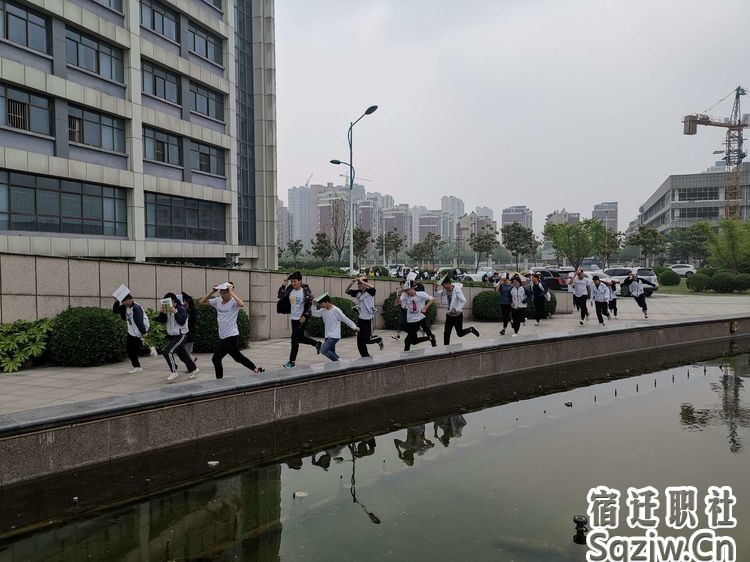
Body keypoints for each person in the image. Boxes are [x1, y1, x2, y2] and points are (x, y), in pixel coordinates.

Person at [199, 282, 263, 379]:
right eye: (221, 292)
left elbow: (241, 304)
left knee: (216, 358)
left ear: (230, 292)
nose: (223, 294)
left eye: (225, 292)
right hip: (223, 336)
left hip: (231, 335)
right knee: (237, 357)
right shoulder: (217, 301)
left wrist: (231, 292)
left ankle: (219, 380)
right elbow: (201, 302)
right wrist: (212, 292)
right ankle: (255, 369)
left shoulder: (234, 302)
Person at [277, 271, 321, 368]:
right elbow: (280, 295)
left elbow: (309, 304)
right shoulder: (290, 290)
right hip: (293, 318)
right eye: (291, 281)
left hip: (302, 319)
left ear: (300, 281)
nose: (293, 283)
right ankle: (316, 343)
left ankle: (292, 362)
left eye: (295, 281)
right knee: (300, 338)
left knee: (294, 340)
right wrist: (284, 283)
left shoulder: (305, 291)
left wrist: (305, 316)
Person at [157, 292, 198, 382]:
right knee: (182, 355)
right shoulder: (168, 309)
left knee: (167, 352)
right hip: (172, 336)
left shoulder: (181, 309)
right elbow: (161, 321)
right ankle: (193, 369)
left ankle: (174, 371)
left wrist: (175, 312)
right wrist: (162, 313)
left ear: (174, 301)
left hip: (181, 335)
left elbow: (181, 322)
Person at [311, 293, 359, 361]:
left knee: (323, 350)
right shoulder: (323, 310)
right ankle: (338, 363)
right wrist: (313, 305)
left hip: (334, 336)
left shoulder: (336, 310)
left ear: (327, 302)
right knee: (332, 353)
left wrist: (354, 327)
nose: (321, 306)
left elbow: (345, 319)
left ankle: (338, 362)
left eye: (322, 304)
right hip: (327, 336)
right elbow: (314, 314)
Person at [345, 276, 383, 357]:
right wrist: (352, 282)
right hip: (361, 319)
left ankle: (378, 339)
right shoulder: (358, 293)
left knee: (367, 340)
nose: (359, 285)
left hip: (368, 319)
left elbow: (373, 288)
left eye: (361, 284)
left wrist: (363, 281)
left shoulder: (369, 292)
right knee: (359, 341)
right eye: (358, 284)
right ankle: (365, 357)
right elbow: (346, 291)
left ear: (365, 284)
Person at [112, 293, 149, 374]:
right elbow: (115, 311)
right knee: (130, 349)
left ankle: (138, 366)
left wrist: (144, 332)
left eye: (125, 300)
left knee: (133, 349)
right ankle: (137, 366)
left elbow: (139, 322)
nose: (124, 303)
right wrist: (117, 301)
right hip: (132, 331)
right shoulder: (125, 307)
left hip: (138, 331)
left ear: (130, 299)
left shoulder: (136, 308)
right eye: (123, 301)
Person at [436, 275, 479, 345]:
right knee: (446, 333)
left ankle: (471, 329)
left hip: (457, 315)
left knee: (460, 333)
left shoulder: (457, 290)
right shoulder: (446, 290)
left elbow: (463, 300)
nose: (443, 287)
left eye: (443, 285)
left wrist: (456, 309)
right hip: (449, 315)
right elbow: (437, 295)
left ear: (447, 283)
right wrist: (435, 289)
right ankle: (445, 349)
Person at [400, 281, 437, 350]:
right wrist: (400, 293)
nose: (408, 292)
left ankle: (405, 357)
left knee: (407, 341)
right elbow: (398, 302)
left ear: (412, 288)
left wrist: (425, 307)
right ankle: (430, 338)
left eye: (408, 290)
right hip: (411, 320)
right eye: (406, 291)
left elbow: (433, 299)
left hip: (419, 318)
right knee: (414, 341)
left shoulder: (421, 294)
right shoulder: (405, 296)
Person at [180, 292, 198, 364]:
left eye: (183, 301)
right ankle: (192, 360)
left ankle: (191, 367)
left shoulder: (191, 310)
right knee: (185, 352)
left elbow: (192, 321)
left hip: (189, 334)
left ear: (187, 301)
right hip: (184, 334)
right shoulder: (184, 309)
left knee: (186, 353)